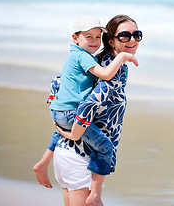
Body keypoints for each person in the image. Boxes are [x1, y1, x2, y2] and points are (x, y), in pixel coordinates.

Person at [33, 15, 140, 206]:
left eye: (137, 35)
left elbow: (58, 81)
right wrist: (75, 132)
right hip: (82, 158)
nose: (132, 40)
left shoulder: (97, 60)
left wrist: (55, 107)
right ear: (111, 40)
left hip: (68, 154)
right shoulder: (113, 69)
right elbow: (90, 103)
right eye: (124, 35)